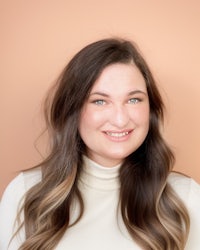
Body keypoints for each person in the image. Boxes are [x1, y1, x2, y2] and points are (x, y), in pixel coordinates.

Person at [0, 38, 200, 250]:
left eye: (134, 99)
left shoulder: (184, 197)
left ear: (150, 109)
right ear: (73, 111)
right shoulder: (26, 192)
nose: (120, 119)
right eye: (99, 101)